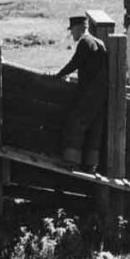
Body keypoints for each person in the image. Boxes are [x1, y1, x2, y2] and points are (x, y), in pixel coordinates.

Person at [55, 15, 108, 169]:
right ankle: (91, 164)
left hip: (89, 92)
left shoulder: (85, 42)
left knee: (76, 123)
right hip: (101, 92)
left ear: (79, 28)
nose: (72, 34)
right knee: (95, 128)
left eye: (72, 30)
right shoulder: (100, 43)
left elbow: (74, 63)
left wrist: (58, 75)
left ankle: (72, 161)